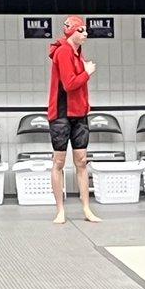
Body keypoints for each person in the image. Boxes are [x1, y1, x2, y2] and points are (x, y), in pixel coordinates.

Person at [46, 16, 101, 225]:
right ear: (71, 32)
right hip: (61, 114)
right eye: (81, 30)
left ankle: (86, 208)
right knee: (59, 162)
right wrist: (87, 73)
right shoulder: (63, 52)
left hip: (79, 114)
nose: (85, 34)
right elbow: (69, 85)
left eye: (85, 30)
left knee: (81, 161)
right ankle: (60, 210)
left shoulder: (77, 53)